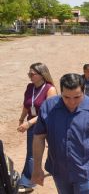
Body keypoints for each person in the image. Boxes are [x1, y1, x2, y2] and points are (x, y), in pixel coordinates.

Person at [31, 73, 89, 193]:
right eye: (66, 97)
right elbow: (39, 137)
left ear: (84, 90)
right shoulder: (48, 107)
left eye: (77, 97)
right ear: (60, 92)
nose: (71, 102)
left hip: (85, 171)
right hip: (59, 170)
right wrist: (37, 168)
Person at [17, 63, 57, 193]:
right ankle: (28, 182)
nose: (29, 76)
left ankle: (57, 170)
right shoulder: (30, 87)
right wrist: (22, 119)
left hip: (48, 125)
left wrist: (28, 123)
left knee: (54, 151)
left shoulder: (50, 89)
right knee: (32, 154)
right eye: (29, 74)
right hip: (33, 125)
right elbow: (26, 105)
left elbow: (47, 113)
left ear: (41, 74)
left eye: (32, 74)